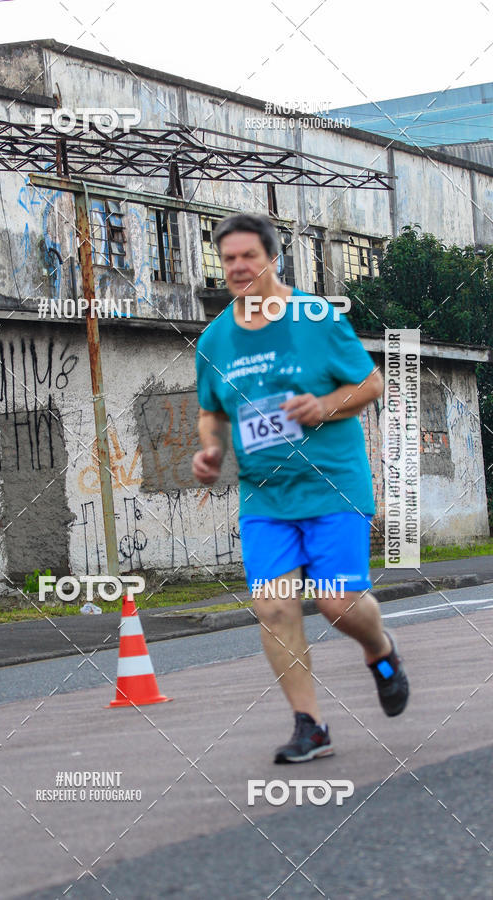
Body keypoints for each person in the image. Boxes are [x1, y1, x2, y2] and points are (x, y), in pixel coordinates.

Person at [192, 213, 409, 763]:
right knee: (273, 607)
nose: (239, 267)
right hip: (266, 496)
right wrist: (211, 449)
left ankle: (380, 650)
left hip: (331, 485)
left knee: (337, 602)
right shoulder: (215, 339)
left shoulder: (314, 317)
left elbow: (370, 381)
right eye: (229, 259)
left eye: (249, 256)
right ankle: (310, 724)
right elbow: (210, 412)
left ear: (271, 258)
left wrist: (323, 406)